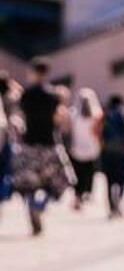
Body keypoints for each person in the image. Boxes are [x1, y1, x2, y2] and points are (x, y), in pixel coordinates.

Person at [11, 59, 74, 235]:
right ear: (47, 72)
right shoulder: (53, 95)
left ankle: (32, 206)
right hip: (49, 144)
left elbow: (20, 117)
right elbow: (59, 121)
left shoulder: (26, 94)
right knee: (56, 182)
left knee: (29, 183)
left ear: (33, 71)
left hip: (29, 144)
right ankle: (40, 205)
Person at [99, 94, 124, 219]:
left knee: (109, 181)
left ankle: (111, 208)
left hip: (107, 152)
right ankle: (118, 202)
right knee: (122, 180)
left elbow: (100, 133)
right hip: (121, 152)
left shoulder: (105, 116)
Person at [68, 88, 103, 210]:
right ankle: (85, 193)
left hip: (77, 149)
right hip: (92, 149)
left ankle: (78, 196)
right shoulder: (97, 114)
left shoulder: (73, 113)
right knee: (89, 173)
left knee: (78, 174)